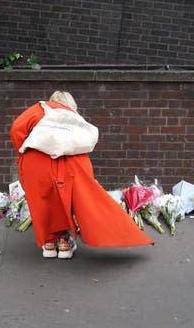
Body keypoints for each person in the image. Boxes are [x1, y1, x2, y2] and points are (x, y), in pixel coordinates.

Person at [10, 91, 153, 259]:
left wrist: (24, 151)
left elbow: (16, 130)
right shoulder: (75, 118)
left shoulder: (38, 110)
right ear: (71, 104)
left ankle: (49, 243)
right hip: (70, 165)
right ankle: (64, 242)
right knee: (70, 200)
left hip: (36, 163)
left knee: (41, 201)